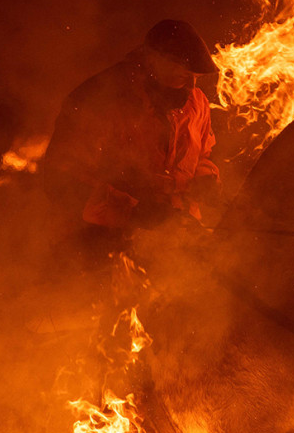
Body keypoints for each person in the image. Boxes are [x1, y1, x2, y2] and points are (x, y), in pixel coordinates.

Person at [41, 19, 222, 262]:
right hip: (95, 245)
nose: (192, 86)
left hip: (170, 247)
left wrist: (205, 178)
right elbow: (62, 180)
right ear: (152, 62)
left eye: (196, 77)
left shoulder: (196, 103)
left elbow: (202, 155)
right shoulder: (98, 99)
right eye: (182, 75)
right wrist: (134, 213)